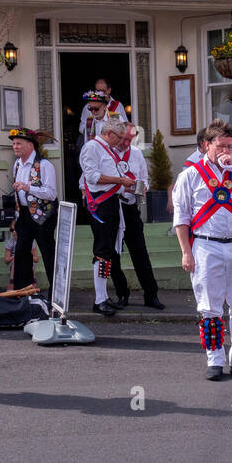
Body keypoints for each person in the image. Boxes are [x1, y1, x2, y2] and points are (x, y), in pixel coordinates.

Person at [172, 119, 232, 380]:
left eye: (230, 146)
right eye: (221, 146)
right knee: (209, 306)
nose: (226, 151)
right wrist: (186, 251)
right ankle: (214, 359)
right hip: (205, 245)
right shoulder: (190, 176)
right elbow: (181, 218)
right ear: (206, 146)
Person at [79, 118, 131, 315]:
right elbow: (92, 177)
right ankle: (99, 299)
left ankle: (104, 297)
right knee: (102, 251)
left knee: (108, 251)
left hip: (111, 203)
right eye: (119, 137)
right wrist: (120, 180)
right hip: (100, 204)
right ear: (109, 133)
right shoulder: (92, 148)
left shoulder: (108, 149)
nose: (121, 142)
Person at [110, 122, 164, 310]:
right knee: (113, 254)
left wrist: (139, 187)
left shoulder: (136, 153)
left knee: (140, 252)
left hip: (130, 207)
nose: (125, 142)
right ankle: (122, 294)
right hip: (112, 208)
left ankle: (151, 295)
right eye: (123, 138)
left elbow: (144, 180)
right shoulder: (106, 152)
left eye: (129, 139)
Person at [11, 127, 58, 292]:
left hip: (43, 214)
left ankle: (56, 292)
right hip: (24, 214)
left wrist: (27, 187)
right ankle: (22, 291)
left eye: (19, 143)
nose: (15, 146)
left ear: (30, 145)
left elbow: (51, 194)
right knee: (21, 252)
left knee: (47, 252)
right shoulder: (17, 164)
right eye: (14, 144)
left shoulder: (44, 165)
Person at [79, 81, 130, 149]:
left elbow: (125, 138)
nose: (93, 112)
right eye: (90, 109)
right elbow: (86, 143)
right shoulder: (89, 122)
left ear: (104, 106)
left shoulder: (117, 118)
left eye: (96, 109)